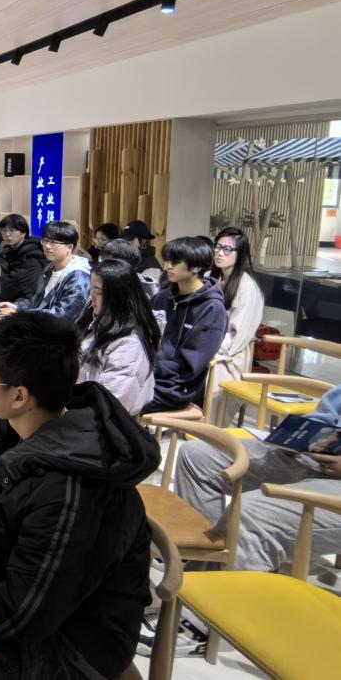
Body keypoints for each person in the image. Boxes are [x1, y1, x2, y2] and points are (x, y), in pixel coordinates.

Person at [0, 313, 159, 679]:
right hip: (29, 604)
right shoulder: (22, 432)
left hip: (76, 648)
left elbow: (23, 614)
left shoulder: (70, 487)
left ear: (19, 396)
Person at [174, 384, 341, 573]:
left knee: (249, 513)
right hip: (313, 457)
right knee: (196, 456)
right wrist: (305, 433)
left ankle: (205, 580)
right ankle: (207, 556)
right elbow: (326, 415)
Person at [143, 236, 227, 414]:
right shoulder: (164, 296)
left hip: (174, 389)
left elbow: (190, 365)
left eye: (175, 262)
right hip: (147, 376)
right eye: (167, 260)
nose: (167, 266)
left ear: (196, 267)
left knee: (115, 403)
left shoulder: (212, 308)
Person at [73, 258, 158, 416]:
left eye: (98, 291)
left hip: (101, 420)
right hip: (78, 408)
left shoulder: (130, 345)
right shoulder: (95, 322)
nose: (92, 296)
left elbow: (109, 404)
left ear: (119, 296)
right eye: (91, 288)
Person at [0, 220, 90, 323]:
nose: (47, 246)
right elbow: (38, 302)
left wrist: (21, 313)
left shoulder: (78, 276)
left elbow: (62, 316)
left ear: (70, 247)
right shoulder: (50, 268)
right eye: (45, 241)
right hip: (40, 325)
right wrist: (17, 307)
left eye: (54, 242)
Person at [211, 226, 265, 388]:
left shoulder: (247, 287)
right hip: (205, 344)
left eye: (227, 249)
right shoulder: (209, 278)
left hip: (228, 355)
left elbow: (237, 336)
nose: (220, 253)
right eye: (218, 247)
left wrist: (206, 347)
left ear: (240, 254)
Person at [0, 213, 46, 304]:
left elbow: (13, 285)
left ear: (23, 233)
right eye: (4, 230)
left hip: (26, 303)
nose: (7, 234)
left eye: (12, 230)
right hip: (12, 298)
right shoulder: (7, 251)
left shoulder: (31, 257)